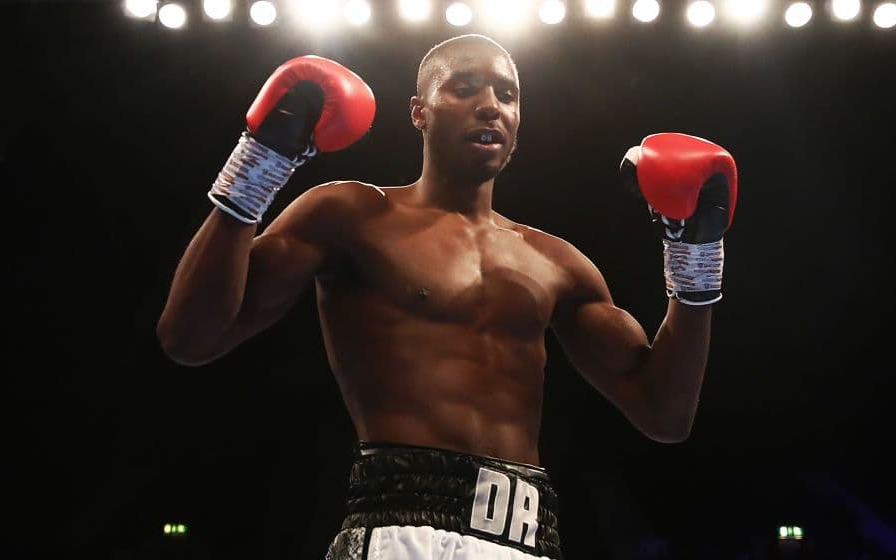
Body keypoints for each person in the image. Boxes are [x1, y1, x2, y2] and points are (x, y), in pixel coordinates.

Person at [156, 33, 738, 560]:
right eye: (464, 88)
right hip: (399, 530)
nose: (491, 105)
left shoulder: (557, 263)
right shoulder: (352, 214)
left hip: (529, 538)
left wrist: (696, 253)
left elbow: (665, 414)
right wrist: (259, 163)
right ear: (420, 112)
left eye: (507, 95)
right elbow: (191, 338)